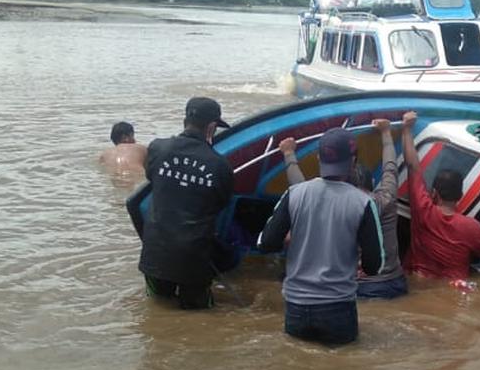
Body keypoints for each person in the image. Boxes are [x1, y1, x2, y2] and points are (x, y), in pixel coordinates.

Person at [256, 127, 384, 346]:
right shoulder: (363, 203)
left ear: (318, 158)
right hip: (338, 308)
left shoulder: (295, 194)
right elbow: (375, 266)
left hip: (296, 306)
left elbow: (265, 243)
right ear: (353, 161)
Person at [278, 119, 408, 299]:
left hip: (357, 288)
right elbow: (390, 168)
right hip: (394, 284)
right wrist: (386, 134)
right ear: (371, 184)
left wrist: (289, 154)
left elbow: (301, 187)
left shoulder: (342, 204)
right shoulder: (385, 198)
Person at [133, 97, 235, 310]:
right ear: (211, 127)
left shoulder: (158, 148)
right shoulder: (219, 165)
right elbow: (221, 203)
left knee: (158, 311)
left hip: (155, 254)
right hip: (193, 259)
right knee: (199, 319)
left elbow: (153, 181)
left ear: (185, 120)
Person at [400, 111, 480, 280]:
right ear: (460, 195)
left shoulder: (424, 211)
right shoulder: (471, 227)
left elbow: (413, 166)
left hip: (419, 278)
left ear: (434, 193)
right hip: (453, 287)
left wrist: (407, 129)